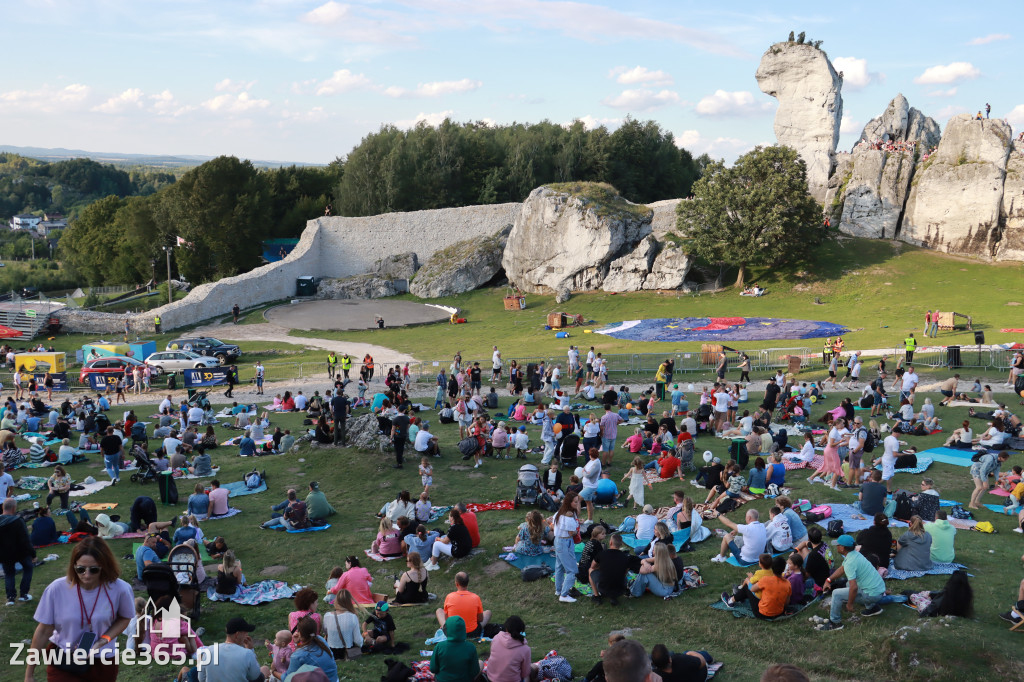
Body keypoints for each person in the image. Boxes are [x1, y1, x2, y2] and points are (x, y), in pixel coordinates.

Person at [26, 536, 135, 681]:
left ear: (105, 566)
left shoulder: (121, 589)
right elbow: (43, 631)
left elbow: (125, 618)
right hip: (63, 660)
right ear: (73, 566)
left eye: (94, 569)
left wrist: (103, 640)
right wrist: (29, 674)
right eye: (81, 569)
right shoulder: (56, 589)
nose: (87, 575)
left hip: (101, 662)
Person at [816, 534, 886, 630]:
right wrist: (828, 580)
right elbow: (841, 569)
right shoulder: (855, 554)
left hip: (872, 595)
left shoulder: (850, 562)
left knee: (836, 594)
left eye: (838, 545)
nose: (836, 546)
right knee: (848, 584)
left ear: (842, 548)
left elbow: (854, 588)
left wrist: (850, 604)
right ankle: (873, 608)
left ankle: (835, 623)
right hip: (879, 589)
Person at [0, 497, 35, 606]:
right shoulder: (18, 521)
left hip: (5, 554)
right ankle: (23, 594)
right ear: (14, 508)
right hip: (21, 552)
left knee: (9, 574)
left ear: (3, 507)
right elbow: (25, 539)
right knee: (28, 568)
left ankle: (10, 598)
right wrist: (33, 554)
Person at [435, 571, 491, 639]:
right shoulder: (476, 597)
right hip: (472, 633)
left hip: (452, 633)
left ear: (456, 584)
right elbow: (480, 619)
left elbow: (447, 619)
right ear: (468, 583)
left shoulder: (449, 596)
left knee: (439, 611)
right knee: (488, 612)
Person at [286, 617, 339, 682]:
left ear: (300, 633)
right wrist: (297, 643)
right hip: (334, 679)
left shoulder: (298, 655)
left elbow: (289, 677)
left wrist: (274, 672)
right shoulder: (320, 639)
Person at [551, 491, 581, 603]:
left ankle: (558, 590)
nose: (577, 504)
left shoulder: (560, 512)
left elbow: (552, 523)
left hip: (558, 540)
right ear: (570, 502)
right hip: (565, 543)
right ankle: (563, 595)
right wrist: (576, 528)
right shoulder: (568, 516)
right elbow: (571, 533)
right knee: (571, 570)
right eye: (575, 502)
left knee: (559, 567)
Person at [430, 615, 480, 682]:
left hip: (442, 680)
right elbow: (475, 671)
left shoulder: (440, 646)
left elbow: (433, 669)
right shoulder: (471, 647)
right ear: (464, 630)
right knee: (481, 663)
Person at [320, 588, 364, 661]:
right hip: (347, 652)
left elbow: (325, 633)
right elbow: (358, 641)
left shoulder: (327, 616)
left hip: (331, 652)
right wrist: (362, 642)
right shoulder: (353, 617)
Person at [590, 533, 633, 605]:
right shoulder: (626, 557)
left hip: (603, 588)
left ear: (610, 542)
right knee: (621, 575)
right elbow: (625, 572)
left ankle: (596, 596)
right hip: (620, 590)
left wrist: (601, 567)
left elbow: (592, 566)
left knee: (590, 570)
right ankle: (613, 597)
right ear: (621, 544)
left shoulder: (602, 554)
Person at [485, 615, 531, 682]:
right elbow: (525, 673)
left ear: (506, 628)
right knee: (528, 675)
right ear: (521, 630)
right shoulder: (525, 649)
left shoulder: (496, 638)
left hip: (491, 678)